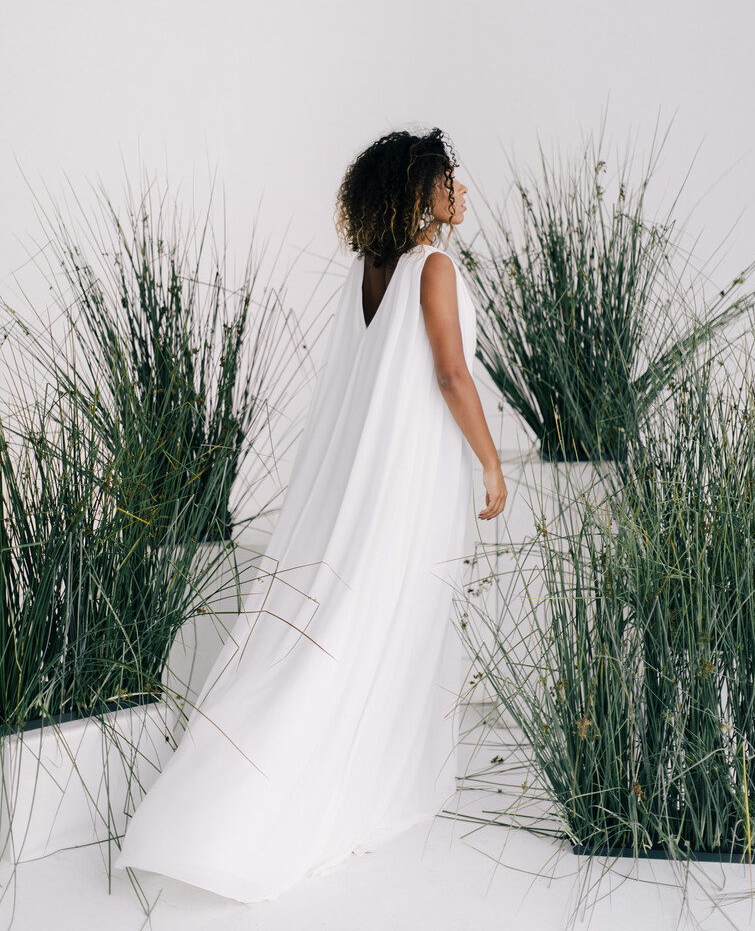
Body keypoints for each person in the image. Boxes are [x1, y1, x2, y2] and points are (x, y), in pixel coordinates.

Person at [114, 127, 507, 903]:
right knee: (388, 621)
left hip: (375, 480)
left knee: (351, 628)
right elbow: (453, 376)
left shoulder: (367, 274)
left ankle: (263, 788)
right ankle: (321, 794)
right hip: (406, 486)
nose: (461, 190)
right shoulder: (432, 268)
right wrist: (491, 462)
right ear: (418, 194)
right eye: (447, 180)